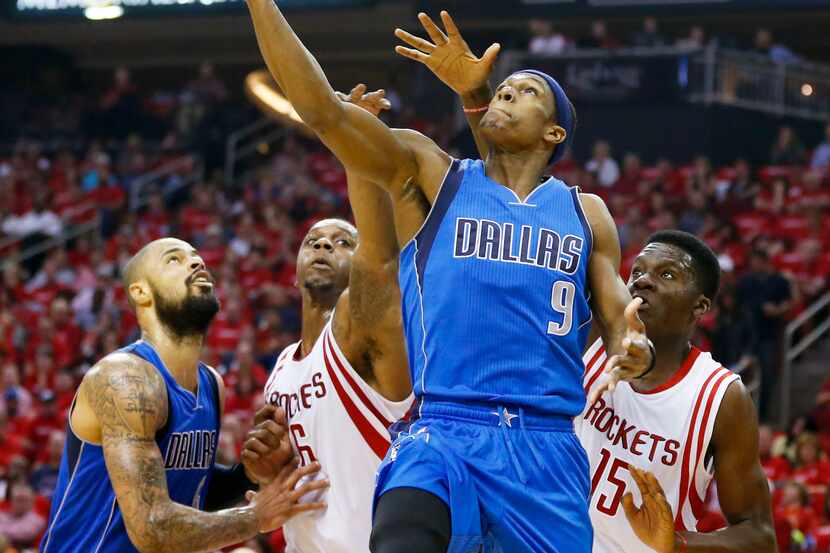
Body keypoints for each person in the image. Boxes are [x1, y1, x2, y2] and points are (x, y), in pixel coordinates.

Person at [244, 5, 653, 552]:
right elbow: (324, 112)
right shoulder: (434, 177)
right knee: (402, 529)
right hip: (444, 429)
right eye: (503, 88)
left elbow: (619, 319)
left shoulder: (587, 214)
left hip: (546, 447)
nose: (507, 93)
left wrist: (635, 348)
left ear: (554, 132)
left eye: (526, 91)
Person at [39, 237, 325, 552]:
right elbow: (152, 527)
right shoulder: (125, 377)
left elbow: (191, 493)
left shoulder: (210, 383)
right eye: (174, 259)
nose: (196, 262)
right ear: (140, 292)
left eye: (196, 257)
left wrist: (248, 475)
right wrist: (255, 516)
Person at [241, 86, 412, 553]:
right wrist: (266, 465)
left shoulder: (364, 331)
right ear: (294, 271)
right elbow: (298, 463)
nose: (322, 246)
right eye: (313, 241)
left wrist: (353, 136)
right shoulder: (281, 366)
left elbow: (380, 260)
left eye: (341, 242)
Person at [578, 230, 777, 552]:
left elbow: (761, 536)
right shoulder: (590, 338)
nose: (641, 281)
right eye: (638, 271)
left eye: (666, 274)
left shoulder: (720, 397)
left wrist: (677, 542)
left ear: (700, 307)